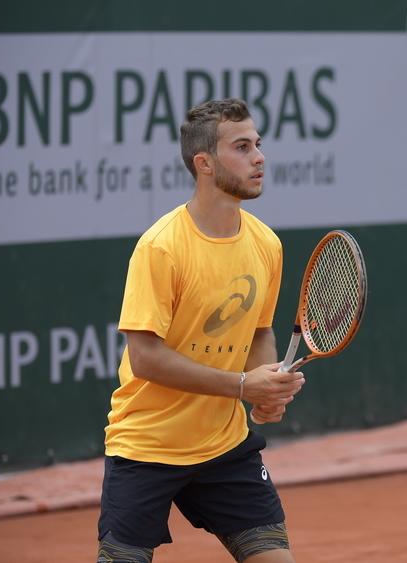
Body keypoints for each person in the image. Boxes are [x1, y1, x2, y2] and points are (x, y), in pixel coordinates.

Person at [97, 98, 306, 562]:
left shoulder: (266, 244)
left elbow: (256, 333)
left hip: (224, 447)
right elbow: (145, 357)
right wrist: (240, 385)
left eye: (259, 144)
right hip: (148, 446)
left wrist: (266, 386)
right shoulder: (161, 247)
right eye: (242, 146)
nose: (259, 157)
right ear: (204, 164)